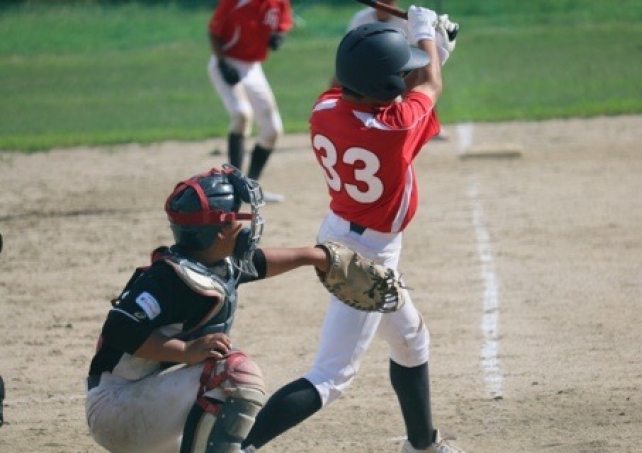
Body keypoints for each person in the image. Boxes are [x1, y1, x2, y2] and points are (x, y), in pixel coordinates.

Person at [241, 8, 464, 453]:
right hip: (367, 256)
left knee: (411, 341)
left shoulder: (324, 109)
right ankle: (239, 447)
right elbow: (428, 86)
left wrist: (431, 51)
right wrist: (427, 37)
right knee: (332, 375)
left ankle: (422, 445)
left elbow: (401, 87)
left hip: (342, 232)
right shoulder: (393, 128)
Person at [84, 165, 345, 452]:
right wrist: (185, 350)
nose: (244, 227)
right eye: (236, 218)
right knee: (233, 373)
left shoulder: (209, 263)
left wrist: (314, 256)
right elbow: (118, 328)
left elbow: (258, 263)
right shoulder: (168, 279)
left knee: (223, 373)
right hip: (117, 408)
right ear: (219, 231)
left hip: (150, 401)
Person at [207, 0, 294, 203]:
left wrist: (278, 37)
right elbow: (213, 32)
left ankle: (249, 188)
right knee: (241, 114)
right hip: (228, 62)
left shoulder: (279, 2)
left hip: (253, 68)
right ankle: (234, 186)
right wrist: (222, 62)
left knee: (272, 130)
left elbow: (281, 26)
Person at [331, 0, 450, 141]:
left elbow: (417, 52)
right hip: (368, 67)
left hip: (401, 65)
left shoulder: (320, 109)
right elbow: (430, 84)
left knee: (417, 85)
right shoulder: (361, 18)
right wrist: (435, 46)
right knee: (422, 89)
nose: (386, 4)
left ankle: (431, 125)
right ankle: (342, 117)